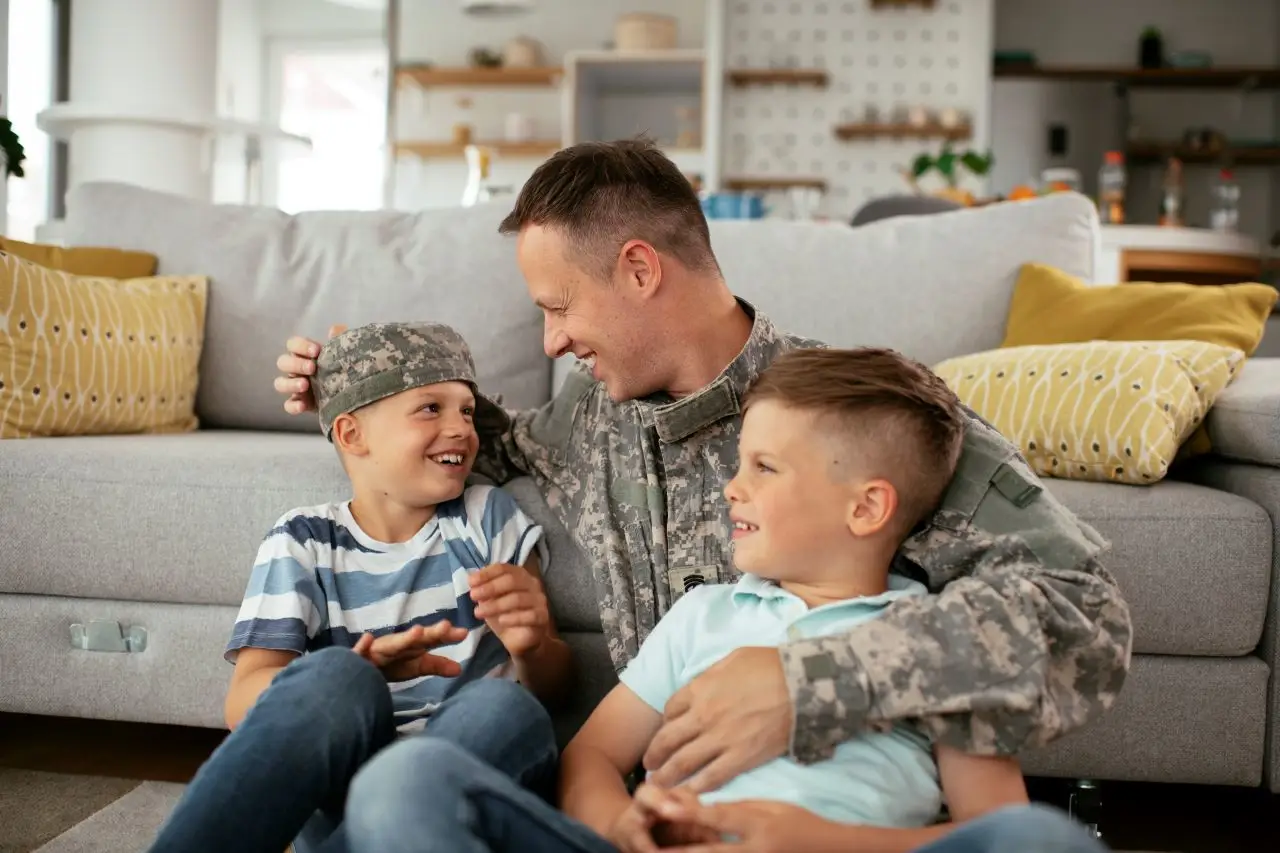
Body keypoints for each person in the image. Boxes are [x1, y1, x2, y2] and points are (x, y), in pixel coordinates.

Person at [274, 139, 1133, 844]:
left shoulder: (849, 417)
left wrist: (812, 678)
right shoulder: (586, 419)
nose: (551, 338)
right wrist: (360, 388)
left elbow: (1083, 612)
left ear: (641, 269)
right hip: (649, 820)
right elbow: (487, 445)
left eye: (560, 306)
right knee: (409, 789)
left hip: (838, 826)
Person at [333, 347, 1109, 853]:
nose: (731, 486)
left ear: (867, 508)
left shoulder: (931, 638)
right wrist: (620, 828)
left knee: (1044, 840)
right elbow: (595, 756)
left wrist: (802, 836)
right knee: (407, 780)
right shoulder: (708, 613)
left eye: (764, 467)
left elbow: (989, 826)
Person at [151, 322, 572, 853]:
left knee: (503, 707)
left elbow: (555, 686)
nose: (462, 429)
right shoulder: (302, 539)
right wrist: (361, 670)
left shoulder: (488, 516)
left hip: (466, 768)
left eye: (466, 411)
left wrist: (532, 647)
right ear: (352, 435)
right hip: (344, 784)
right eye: (430, 408)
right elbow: (244, 702)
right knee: (331, 675)